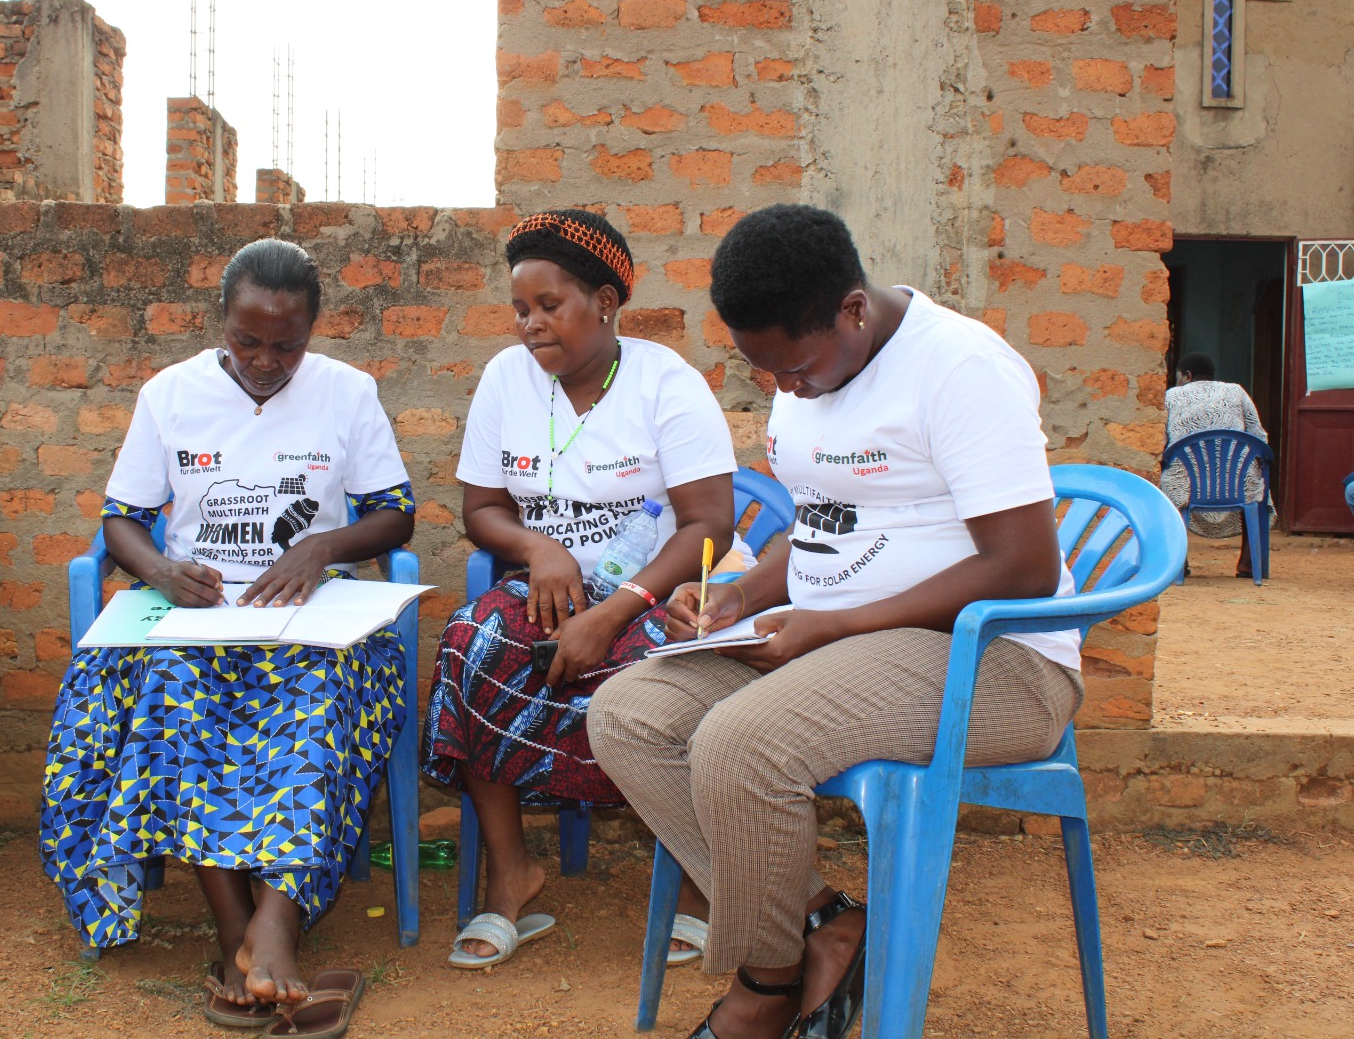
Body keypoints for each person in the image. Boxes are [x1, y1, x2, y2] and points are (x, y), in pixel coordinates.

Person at [587, 205, 1085, 1039]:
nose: (784, 388)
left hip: (993, 661)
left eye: (796, 368)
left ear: (854, 310)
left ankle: (765, 983)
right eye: (765, 372)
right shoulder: (815, 368)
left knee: (741, 743)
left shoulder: (959, 369)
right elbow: (823, 518)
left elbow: (1024, 565)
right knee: (628, 716)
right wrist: (743, 597)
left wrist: (839, 622)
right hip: (839, 639)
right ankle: (825, 924)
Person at [39, 239, 414, 1034]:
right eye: (248, 341)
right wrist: (165, 571)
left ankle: (274, 921)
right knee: (173, 694)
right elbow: (123, 521)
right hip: (193, 612)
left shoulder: (348, 392)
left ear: (313, 331)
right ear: (222, 322)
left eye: (288, 345)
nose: (267, 360)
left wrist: (317, 549)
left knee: (323, 691)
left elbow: (394, 511)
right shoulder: (169, 394)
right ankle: (230, 920)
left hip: (313, 610)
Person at [421, 209, 737, 969]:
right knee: (475, 642)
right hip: (550, 589)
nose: (531, 326)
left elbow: (709, 524)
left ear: (605, 300)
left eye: (549, 306)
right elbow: (480, 509)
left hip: (657, 590)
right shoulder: (506, 379)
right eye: (521, 310)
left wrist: (620, 609)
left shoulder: (667, 384)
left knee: (669, 666)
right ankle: (511, 875)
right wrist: (539, 547)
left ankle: (699, 880)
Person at [1160, 352, 1275, 577]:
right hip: (1235, 483)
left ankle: (1178, 562)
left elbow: (1161, 443)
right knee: (1255, 483)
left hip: (1188, 485)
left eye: (1178, 376)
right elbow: (1259, 438)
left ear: (1187, 375)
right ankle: (1249, 566)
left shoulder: (1171, 396)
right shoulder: (1236, 391)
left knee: (1167, 479)